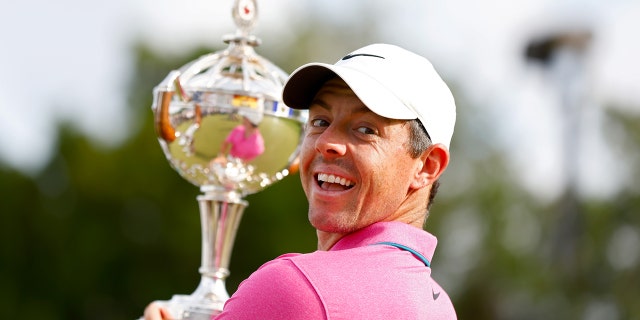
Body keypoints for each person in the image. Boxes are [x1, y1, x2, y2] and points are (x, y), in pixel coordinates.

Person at [145, 43, 457, 319]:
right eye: (320, 121)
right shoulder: (440, 306)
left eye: (365, 129)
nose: (326, 142)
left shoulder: (293, 287)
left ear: (427, 166)